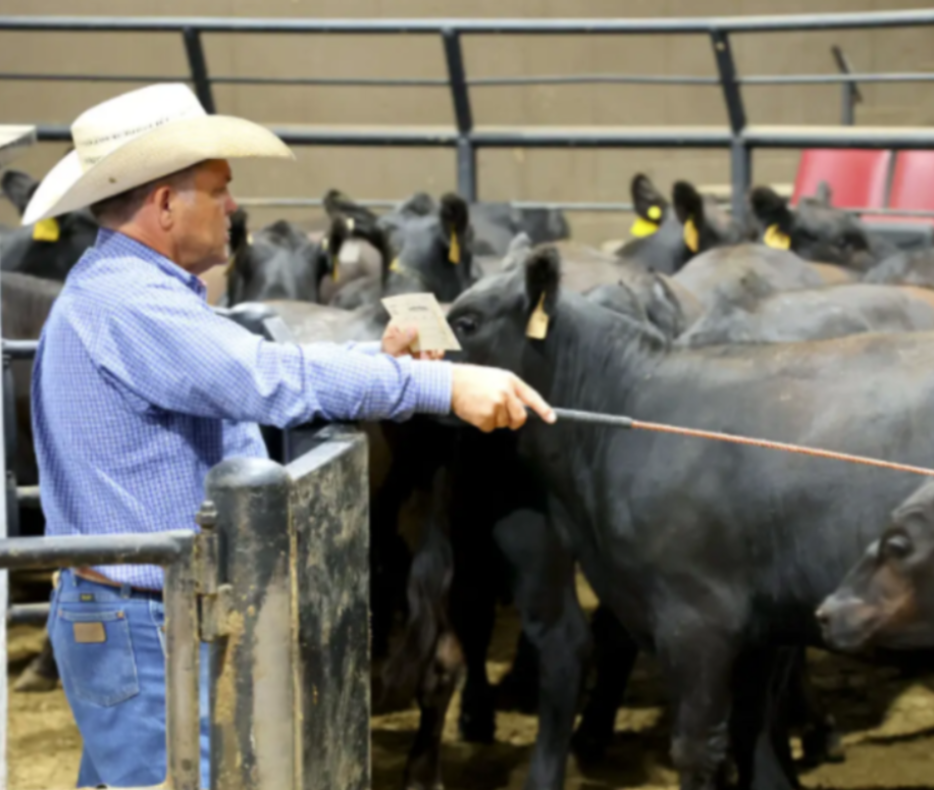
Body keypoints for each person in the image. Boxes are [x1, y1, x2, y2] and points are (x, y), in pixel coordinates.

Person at [24, 83, 555, 789]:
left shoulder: (131, 293)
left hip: (139, 618)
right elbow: (266, 379)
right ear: (163, 205)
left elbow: (240, 378)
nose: (235, 209)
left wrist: (378, 364)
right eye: (219, 191)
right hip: (144, 623)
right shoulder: (133, 304)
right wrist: (443, 386)